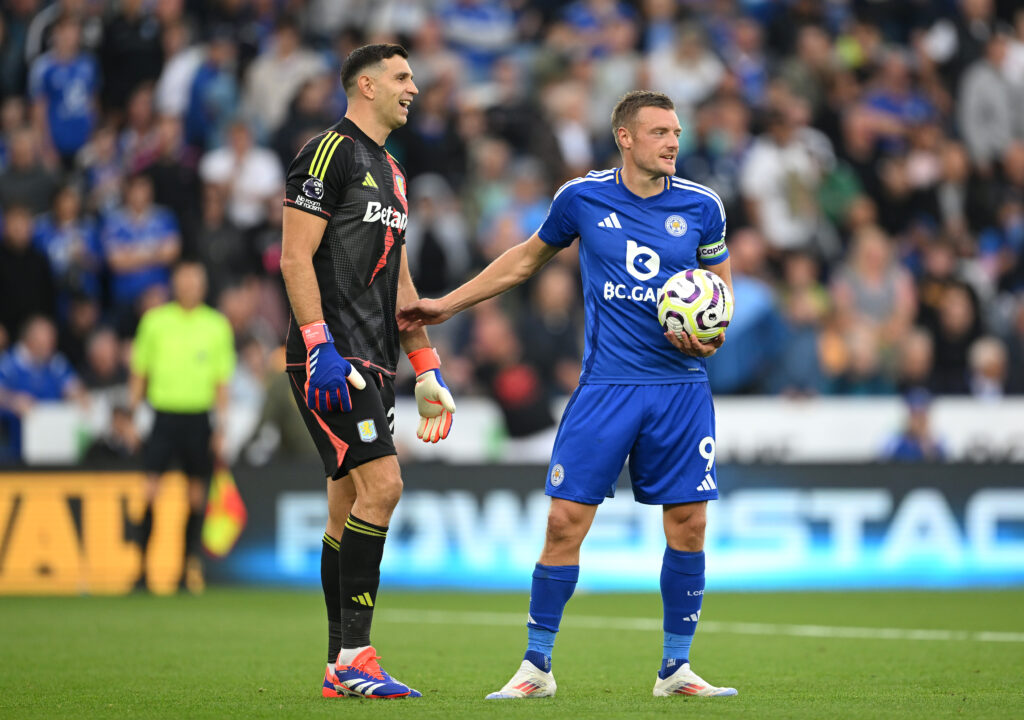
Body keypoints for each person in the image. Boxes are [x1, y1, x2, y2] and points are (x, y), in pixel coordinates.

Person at [398, 90, 737, 699]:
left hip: (681, 390)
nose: (672, 142)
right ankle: (537, 666)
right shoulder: (582, 198)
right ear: (625, 138)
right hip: (606, 387)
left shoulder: (703, 206)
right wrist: (446, 305)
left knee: (688, 524)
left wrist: (711, 334)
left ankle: (676, 668)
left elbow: (720, 295)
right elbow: (523, 262)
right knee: (563, 523)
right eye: (659, 131)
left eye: (677, 132)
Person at [279, 43, 455, 700]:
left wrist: (426, 368)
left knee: (347, 504)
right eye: (403, 76)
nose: (415, 86)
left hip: (374, 358)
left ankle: (337, 666)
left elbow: (400, 280)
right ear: (365, 85)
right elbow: (295, 258)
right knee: (384, 488)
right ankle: (357, 655)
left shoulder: (393, 171)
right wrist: (319, 344)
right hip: (329, 360)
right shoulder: (330, 152)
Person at [128, 262, 236, 593]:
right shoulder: (154, 322)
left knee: (195, 496)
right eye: (184, 281)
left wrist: (220, 428)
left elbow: (222, 383)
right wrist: (133, 417)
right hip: (162, 415)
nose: (189, 286)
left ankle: (185, 570)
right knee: (150, 490)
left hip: (198, 418)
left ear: (203, 286)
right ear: (175, 284)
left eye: (195, 281)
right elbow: (139, 373)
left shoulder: (217, 325)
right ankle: (142, 570)